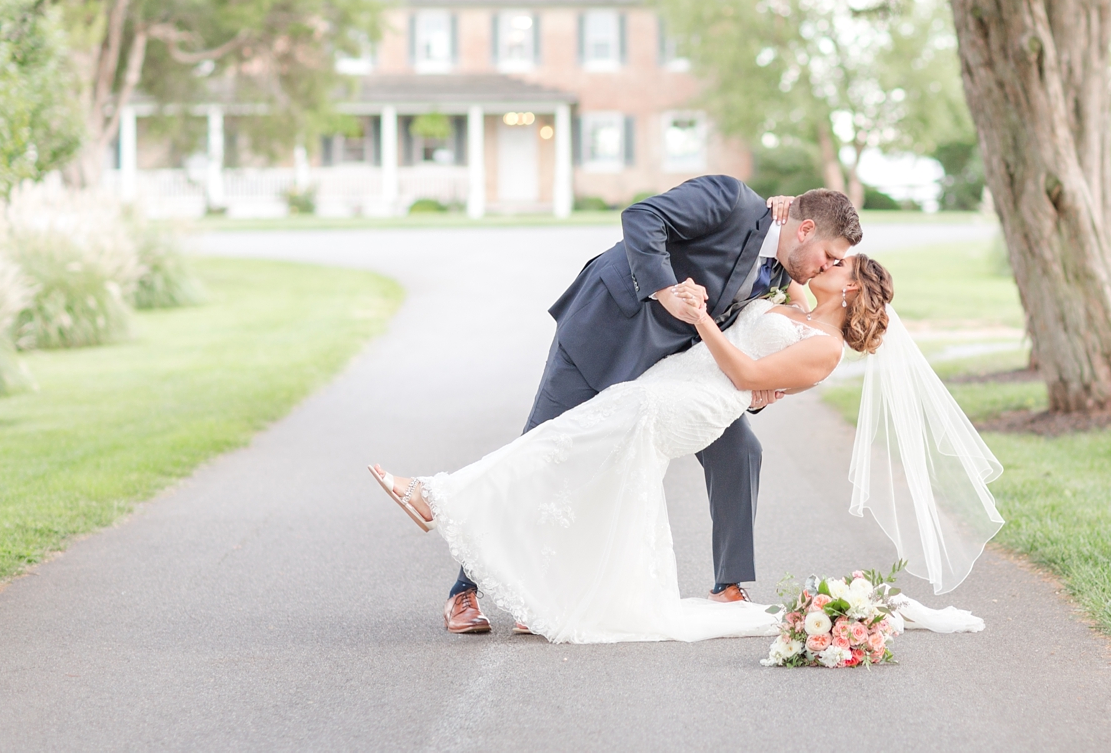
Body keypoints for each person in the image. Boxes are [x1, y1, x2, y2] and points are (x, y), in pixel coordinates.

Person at [372, 253, 901, 642]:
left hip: (686, 405)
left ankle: (433, 496)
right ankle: (536, 583)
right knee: (576, 464)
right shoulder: (801, 303)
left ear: (852, 290)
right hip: (668, 380)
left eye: (842, 264)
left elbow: (744, 372)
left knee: (558, 444)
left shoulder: (827, 349)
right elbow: (784, 273)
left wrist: (702, 320)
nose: (830, 263)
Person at [434, 179, 862, 633]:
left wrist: (759, 389)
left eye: (837, 263)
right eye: (829, 256)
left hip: (672, 374)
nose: (828, 267)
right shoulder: (731, 200)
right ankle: (465, 590)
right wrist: (665, 291)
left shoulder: (782, 271)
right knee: (542, 452)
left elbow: (754, 336)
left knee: (740, 450)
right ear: (805, 230)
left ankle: (729, 584)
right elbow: (642, 217)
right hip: (606, 330)